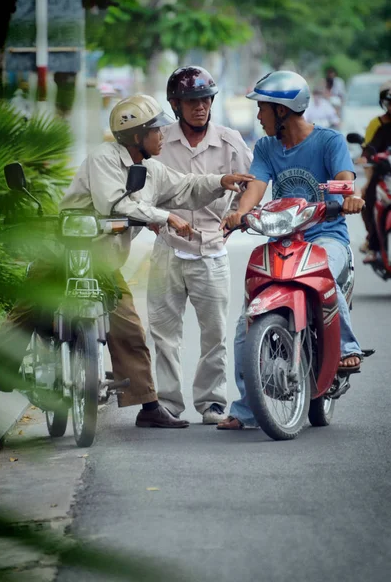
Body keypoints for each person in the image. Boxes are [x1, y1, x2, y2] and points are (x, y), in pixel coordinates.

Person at [0, 94, 254, 429]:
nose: (163, 136)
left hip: (101, 263)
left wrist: (220, 181)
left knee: (129, 326)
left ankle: (148, 406)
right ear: (136, 136)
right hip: (63, 254)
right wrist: (166, 217)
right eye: (156, 131)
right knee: (28, 308)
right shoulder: (103, 159)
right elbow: (114, 203)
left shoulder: (150, 169)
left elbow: (185, 185)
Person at [216, 70, 365, 430]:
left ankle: (346, 347)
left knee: (324, 270)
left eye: (262, 109)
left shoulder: (329, 141)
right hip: (282, 240)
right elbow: (256, 187)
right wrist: (239, 214)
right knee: (244, 323)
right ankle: (248, 410)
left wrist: (348, 198)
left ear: (282, 111)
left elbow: (345, 180)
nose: (258, 117)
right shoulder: (266, 147)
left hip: (326, 237)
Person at [147, 66, 253, 424]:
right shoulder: (158, 141)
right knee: (164, 332)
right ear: (175, 104)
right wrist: (150, 217)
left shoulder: (229, 141)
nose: (200, 107)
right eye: (192, 101)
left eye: (206, 99)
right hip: (167, 247)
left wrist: (237, 216)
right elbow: (140, 186)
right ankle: (169, 404)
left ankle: (211, 403)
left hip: (212, 248)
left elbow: (254, 184)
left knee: (215, 334)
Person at [358, 81, 391, 261]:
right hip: (382, 173)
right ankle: (373, 243)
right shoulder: (376, 124)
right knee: (365, 197)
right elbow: (367, 152)